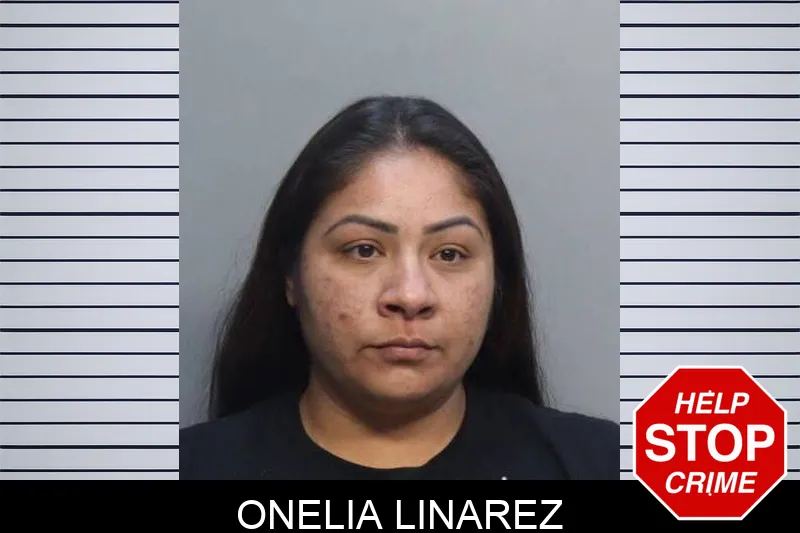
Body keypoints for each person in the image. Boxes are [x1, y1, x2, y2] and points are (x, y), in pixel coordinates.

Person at [179, 95, 619, 480]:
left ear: (497, 279)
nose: (410, 296)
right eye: (363, 250)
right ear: (291, 275)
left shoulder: (606, 466)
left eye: (450, 254)